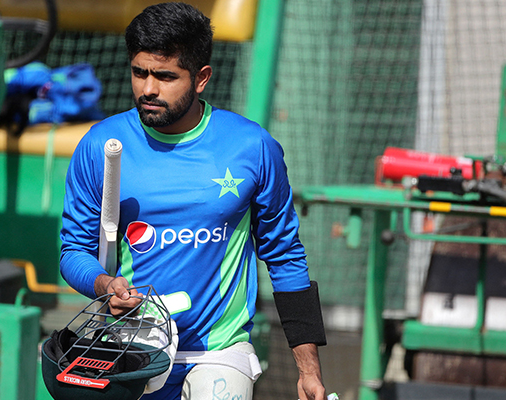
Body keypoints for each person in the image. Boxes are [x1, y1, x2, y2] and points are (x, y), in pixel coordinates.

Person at [59, 2, 327, 399]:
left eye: (165, 76)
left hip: (219, 353)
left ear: (201, 78)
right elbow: (72, 250)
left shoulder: (252, 147)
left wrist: (309, 371)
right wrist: (104, 284)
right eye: (139, 73)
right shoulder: (100, 144)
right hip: (130, 352)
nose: (148, 89)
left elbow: (285, 256)